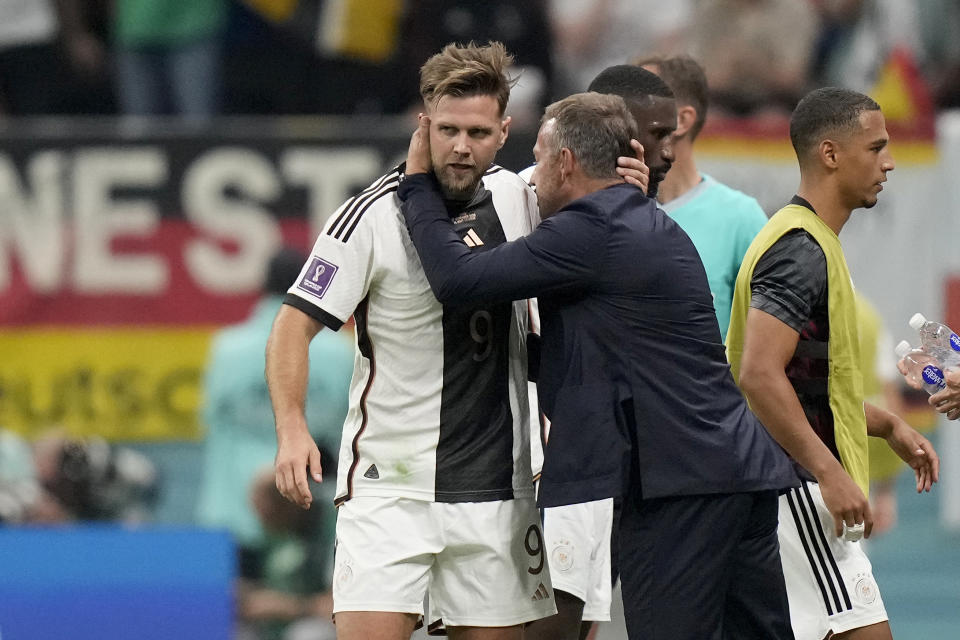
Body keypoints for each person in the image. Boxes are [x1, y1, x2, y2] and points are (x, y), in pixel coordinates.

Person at [400, 90, 800, 639]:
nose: (532, 178)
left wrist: (418, 185)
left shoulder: (590, 229)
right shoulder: (640, 219)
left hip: (678, 485)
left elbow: (459, 281)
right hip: (732, 471)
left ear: (566, 162)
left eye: (539, 159)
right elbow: (598, 358)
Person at [265, 42, 560, 640]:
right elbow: (292, 326)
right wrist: (292, 429)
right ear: (422, 123)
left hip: (497, 490)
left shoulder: (523, 199)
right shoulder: (368, 216)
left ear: (504, 131)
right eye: (447, 128)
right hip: (388, 486)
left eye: (477, 131)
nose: (460, 145)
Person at [725, 87, 940, 640]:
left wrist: (888, 423)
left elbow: (806, 383)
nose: (889, 163)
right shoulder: (799, 249)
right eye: (877, 147)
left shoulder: (812, 241)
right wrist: (829, 472)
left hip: (792, 485)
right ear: (829, 153)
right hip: (798, 490)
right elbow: (758, 373)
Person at [522, 64, 678, 640]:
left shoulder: (646, 223)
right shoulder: (527, 194)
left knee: (582, 622)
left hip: (610, 447)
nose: (666, 153)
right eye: (655, 136)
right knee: (548, 619)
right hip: (547, 443)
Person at [195, 247, 353, 575]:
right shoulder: (340, 352)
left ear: (262, 286)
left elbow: (208, 421)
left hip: (234, 518)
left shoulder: (227, 349)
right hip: (312, 518)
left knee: (237, 621)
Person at [635, 54, 768, 341]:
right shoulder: (606, 209)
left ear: (681, 121)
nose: (622, 114)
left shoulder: (741, 218)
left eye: (639, 101)